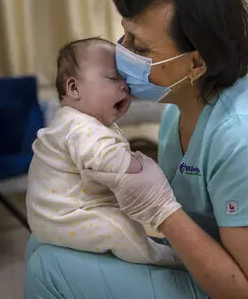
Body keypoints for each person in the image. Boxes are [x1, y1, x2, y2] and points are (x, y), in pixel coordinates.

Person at [24, 0, 248, 299]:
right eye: (124, 36)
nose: (121, 54)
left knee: (49, 268)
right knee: (47, 237)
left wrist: (162, 210)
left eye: (140, 48)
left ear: (196, 64)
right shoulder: (178, 110)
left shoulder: (247, 138)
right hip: (215, 255)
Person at [26, 37, 181, 266]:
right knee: (119, 228)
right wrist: (141, 165)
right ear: (74, 87)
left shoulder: (74, 121)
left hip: (53, 216)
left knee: (124, 221)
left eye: (125, 80)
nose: (125, 86)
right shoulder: (81, 126)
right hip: (68, 217)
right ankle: (158, 258)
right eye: (112, 78)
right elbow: (111, 161)